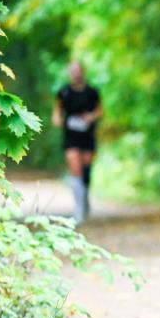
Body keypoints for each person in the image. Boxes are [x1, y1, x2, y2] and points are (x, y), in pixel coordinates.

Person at [52, 60, 102, 224]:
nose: (75, 74)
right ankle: (79, 209)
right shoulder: (64, 92)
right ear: (69, 74)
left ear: (82, 72)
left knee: (86, 171)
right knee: (75, 170)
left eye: (77, 71)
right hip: (71, 136)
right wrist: (58, 120)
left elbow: (100, 111)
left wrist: (90, 117)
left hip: (87, 135)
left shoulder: (92, 92)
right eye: (72, 71)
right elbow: (57, 113)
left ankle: (85, 199)